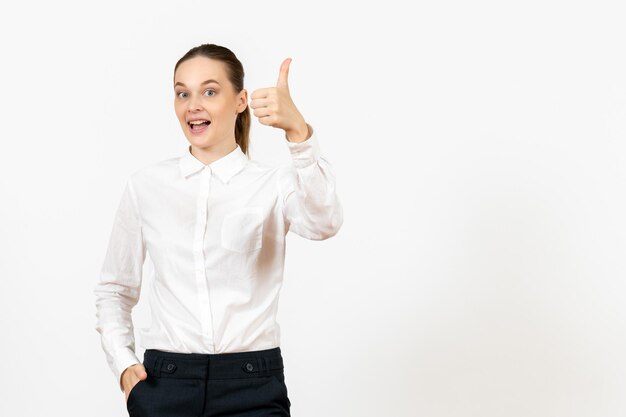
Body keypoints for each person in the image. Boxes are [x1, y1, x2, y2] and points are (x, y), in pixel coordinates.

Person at [93, 43, 343, 417]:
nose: (193, 105)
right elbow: (115, 288)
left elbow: (324, 222)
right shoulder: (146, 186)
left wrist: (298, 131)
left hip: (252, 386)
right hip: (165, 385)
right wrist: (125, 367)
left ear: (240, 101)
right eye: (183, 93)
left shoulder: (272, 185)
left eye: (209, 91)